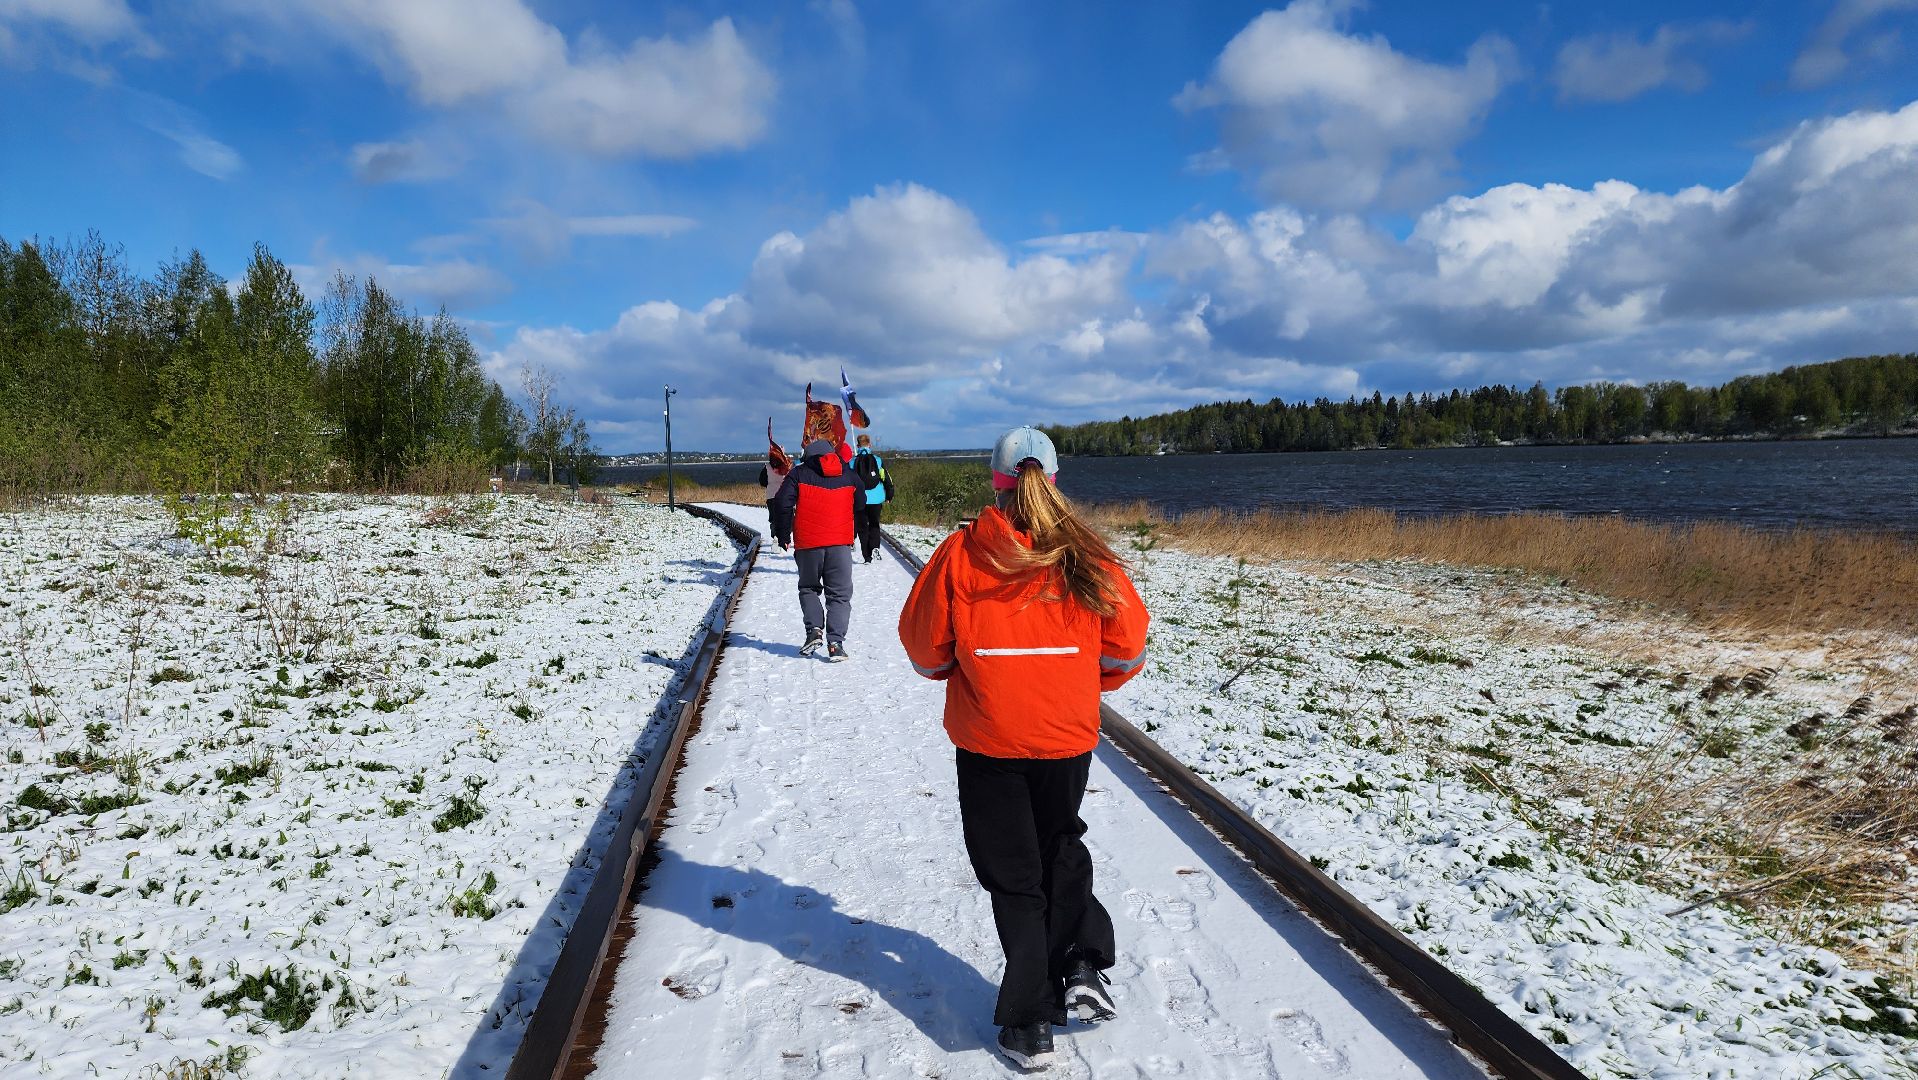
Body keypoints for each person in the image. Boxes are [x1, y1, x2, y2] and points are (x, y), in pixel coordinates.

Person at [897, 426, 1148, 1070]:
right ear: (1055, 478)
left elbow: (926, 653)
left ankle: (1029, 1017)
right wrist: (1072, 679)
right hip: (1066, 736)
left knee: (1013, 874)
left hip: (990, 739)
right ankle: (1084, 962)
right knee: (1060, 842)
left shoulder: (961, 552)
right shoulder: (1088, 554)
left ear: (995, 481)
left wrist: (973, 668)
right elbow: (1127, 648)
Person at [770, 438, 862, 661]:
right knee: (839, 594)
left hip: (808, 544)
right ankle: (836, 643)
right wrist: (853, 531)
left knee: (809, 588)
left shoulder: (799, 474)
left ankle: (814, 631)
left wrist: (783, 535)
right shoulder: (848, 474)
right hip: (839, 543)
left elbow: (782, 503)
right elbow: (860, 503)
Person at [851, 433, 889, 563]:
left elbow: (848, 481)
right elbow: (885, 478)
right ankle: (875, 546)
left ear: (857, 445)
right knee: (874, 524)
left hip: (859, 499)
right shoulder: (877, 460)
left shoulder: (852, 462)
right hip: (876, 498)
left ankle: (867, 556)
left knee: (862, 527)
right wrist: (889, 494)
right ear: (870, 444)